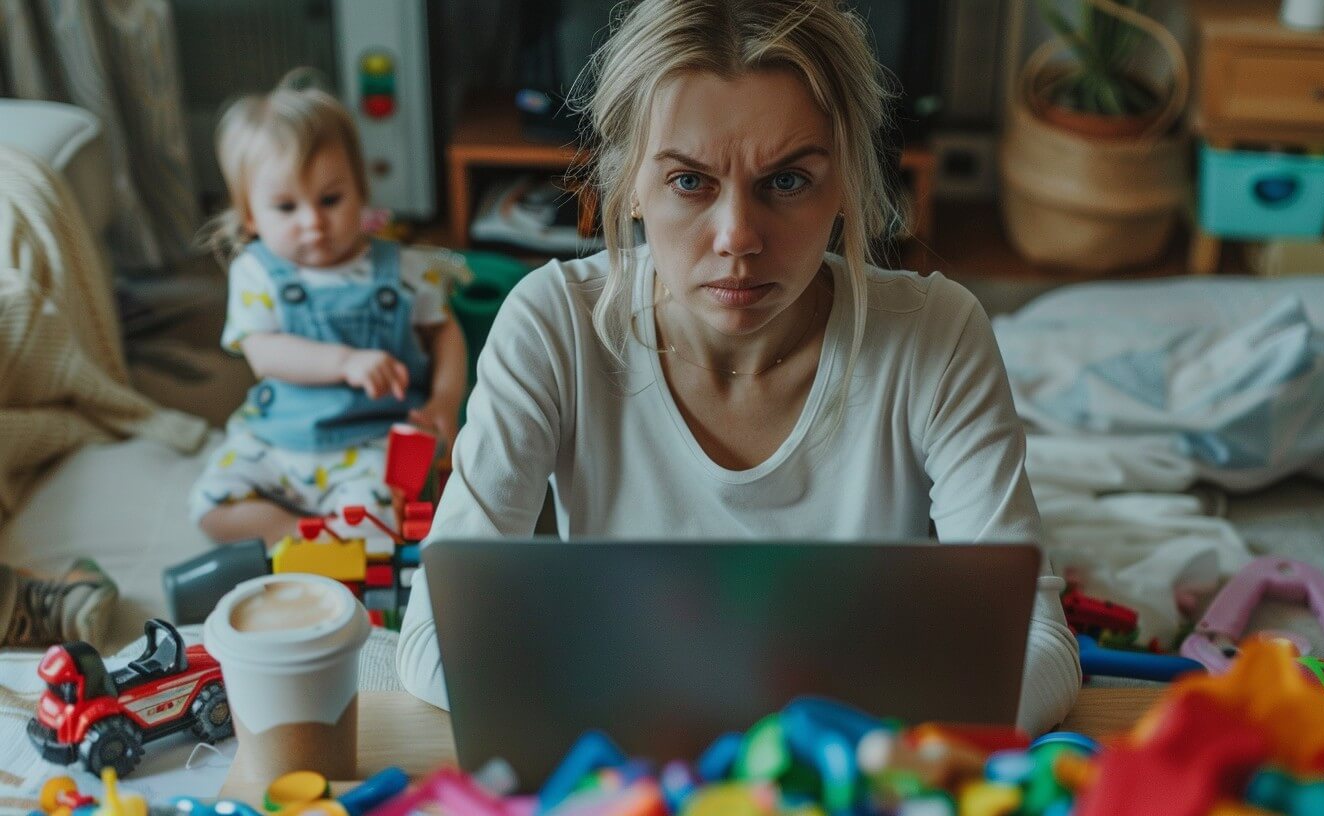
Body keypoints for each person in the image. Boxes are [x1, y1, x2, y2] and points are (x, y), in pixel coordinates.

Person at [398, 0, 1080, 733]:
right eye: (690, 182)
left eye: (786, 182)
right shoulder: (552, 325)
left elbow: (1039, 649)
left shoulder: (935, 336)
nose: (737, 238)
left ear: (847, 178)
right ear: (628, 183)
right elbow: (434, 639)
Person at [189, 84, 466, 546]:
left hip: (373, 437)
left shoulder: (405, 270)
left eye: (330, 200)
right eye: (286, 207)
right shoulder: (256, 272)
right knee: (209, 505)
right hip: (278, 438)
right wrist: (346, 362)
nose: (313, 223)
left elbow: (444, 332)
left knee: (385, 520)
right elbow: (263, 353)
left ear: (360, 190)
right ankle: (295, 534)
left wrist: (444, 400)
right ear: (251, 217)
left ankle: (344, 533)